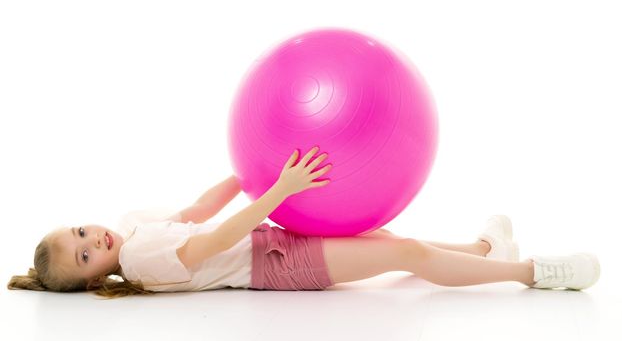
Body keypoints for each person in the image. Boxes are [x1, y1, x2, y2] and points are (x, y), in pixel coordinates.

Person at [7, 147, 600, 299]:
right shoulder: (139, 264)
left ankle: (481, 247)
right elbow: (218, 239)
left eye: (79, 233)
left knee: (392, 241)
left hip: (272, 236)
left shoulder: (132, 227)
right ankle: (533, 273)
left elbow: (196, 213)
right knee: (406, 254)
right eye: (85, 256)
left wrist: (246, 171)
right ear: (97, 280)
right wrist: (283, 188)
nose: (93, 241)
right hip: (279, 265)